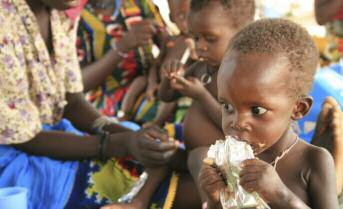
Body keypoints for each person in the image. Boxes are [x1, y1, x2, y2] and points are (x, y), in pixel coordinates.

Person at [0, 0, 180, 208]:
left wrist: (124, 135)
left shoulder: (59, 12)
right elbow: (24, 137)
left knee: (151, 151)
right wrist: (118, 144)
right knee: (119, 182)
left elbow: (72, 101)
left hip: (52, 136)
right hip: (14, 154)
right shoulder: (5, 23)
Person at [199, 18, 338, 209]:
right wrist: (216, 199)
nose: (237, 122)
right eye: (227, 106)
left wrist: (281, 196)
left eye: (257, 110)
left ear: (298, 108)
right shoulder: (229, 163)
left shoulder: (313, 162)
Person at [158, 0, 255, 202]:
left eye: (210, 39)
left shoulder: (239, 76)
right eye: (195, 37)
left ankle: (211, 203)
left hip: (227, 161)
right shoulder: (202, 67)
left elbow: (235, 125)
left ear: (240, 35)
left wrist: (201, 95)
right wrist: (170, 79)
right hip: (192, 154)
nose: (200, 46)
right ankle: (138, 200)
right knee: (157, 146)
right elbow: (166, 97)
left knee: (199, 156)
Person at [77, 0, 167, 123]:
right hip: (108, 103)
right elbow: (78, 83)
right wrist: (122, 46)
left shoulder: (141, 4)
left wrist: (155, 75)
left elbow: (168, 44)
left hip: (150, 86)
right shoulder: (78, 19)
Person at [118, 0, 193, 127]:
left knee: (173, 95)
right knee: (139, 81)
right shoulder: (170, 41)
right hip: (157, 80)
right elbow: (156, 63)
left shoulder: (195, 44)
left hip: (173, 82)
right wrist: (152, 83)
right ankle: (124, 113)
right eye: (181, 16)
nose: (188, 20)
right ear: (171, 18)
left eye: (192, 14)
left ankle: (157, 122)